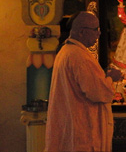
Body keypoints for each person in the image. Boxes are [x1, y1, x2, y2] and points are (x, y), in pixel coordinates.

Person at [45, 11, 122, 152]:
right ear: (81, 32)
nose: (99, 34)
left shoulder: (67, 51)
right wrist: (112, 77)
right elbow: (98, 93)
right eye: (95, 30)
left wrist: (103, 76)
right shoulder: (79, 56)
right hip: (83, 133)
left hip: (72, 126)